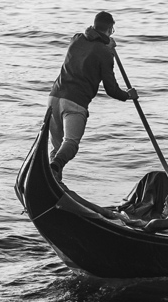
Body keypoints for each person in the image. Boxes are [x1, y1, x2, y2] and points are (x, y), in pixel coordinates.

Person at [47, 11, 137, 177]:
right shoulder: (104, 54)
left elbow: (88, 46)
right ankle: (54, 166)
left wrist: (105, 45)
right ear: (110, 30)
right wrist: (128, 95)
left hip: (54, 98)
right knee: (71, 144)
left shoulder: (76, 38)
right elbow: (111, 89)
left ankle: (53, 180)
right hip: (75, 102)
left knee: (57, 147)